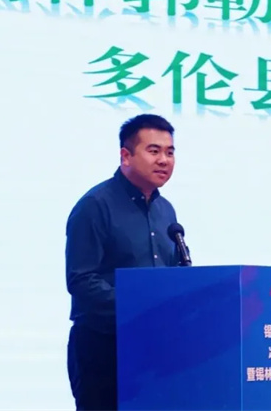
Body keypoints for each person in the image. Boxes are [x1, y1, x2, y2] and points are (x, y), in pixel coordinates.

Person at [65, 114, 181, 411]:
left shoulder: (166, 211)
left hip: (156, 347)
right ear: (125, 156)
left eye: (170, 152)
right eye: (153, 151)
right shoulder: (95, 205)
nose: (164, 160)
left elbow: (175, 273)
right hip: (104, 348)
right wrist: (138, 308)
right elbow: (81, 279)